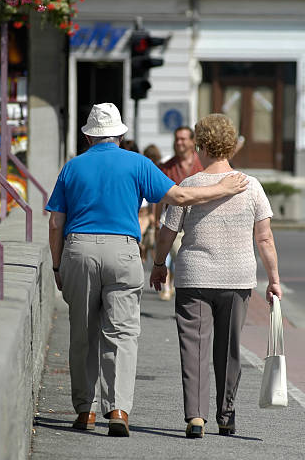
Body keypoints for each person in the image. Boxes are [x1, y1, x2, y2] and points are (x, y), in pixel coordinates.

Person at [46, 103, 248, 437]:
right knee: (122, 333)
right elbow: (179, 196)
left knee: (83, 332)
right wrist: (223, 189)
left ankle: (85, 411)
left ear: (88, 135)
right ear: (121, 134)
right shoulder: (138, 164)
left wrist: (57, 264)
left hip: (79, 249)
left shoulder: (72, 168)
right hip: (123, 252)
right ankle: (118, 410)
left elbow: (56, 222)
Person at [150, 113, 282, 439]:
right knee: (228, 349)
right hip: (237, 279)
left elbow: (167, 233)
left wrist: (158, 264)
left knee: (193, 347)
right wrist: (274, 279)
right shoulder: (251, 187)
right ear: (229, 145)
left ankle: (196, 417)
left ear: (201, 146)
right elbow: (264, 238)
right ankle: (226, 416)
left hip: (194, 277)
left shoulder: (188, 186)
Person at [155, 126, 203, 300]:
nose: (179, 142)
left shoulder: (202, 164)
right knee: (173, 252)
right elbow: (159, 197)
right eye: (177, 139)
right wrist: (155, 222)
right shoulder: (166, 167)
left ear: (192, 141)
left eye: (183, 139)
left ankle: (177, 284)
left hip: (197, 219)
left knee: (182, 256)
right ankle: (168, 285)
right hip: (171, 219)